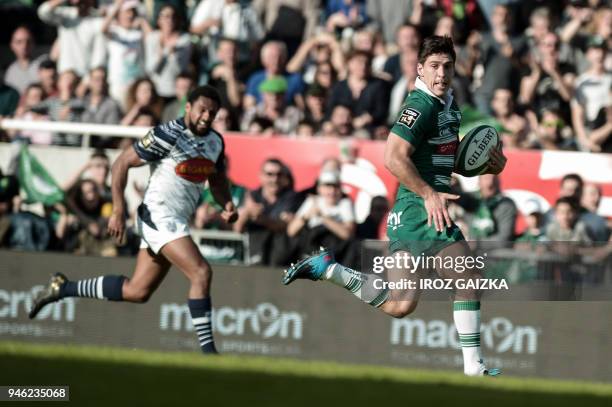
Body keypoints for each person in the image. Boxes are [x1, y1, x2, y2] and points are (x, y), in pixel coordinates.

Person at [282, 35, 507, 377]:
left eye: (447, 66)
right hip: (422, 210)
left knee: (400, 304)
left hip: (408, 213)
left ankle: (329, 269)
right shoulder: (420, 105)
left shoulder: (448, 104)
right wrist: (430, 193)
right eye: (434, 66)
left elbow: (448, 160)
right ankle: (474, 367)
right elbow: (392, 156)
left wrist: (490, 164)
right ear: (420, 68)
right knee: (468, 275)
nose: (441, 73)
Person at [28, 85, 238, 356]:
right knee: (201, 272)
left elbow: (217, 179)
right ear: (187, 107)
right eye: (202, 110)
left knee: (137, 291)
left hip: (175, 221)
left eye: (212, 112)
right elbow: (121, 163)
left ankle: (62, 287)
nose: (207, 117)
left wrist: (228, 203)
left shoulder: (215, 142)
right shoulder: (167, 134)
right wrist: (117, 210)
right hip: (158, 216)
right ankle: (210, 354)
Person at [5, 26, 48, 94]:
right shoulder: (10, 72)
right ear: (12, 45)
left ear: (33, 43)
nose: (24, 46)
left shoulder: (43, 62)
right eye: (19, 42)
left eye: (28, 41)